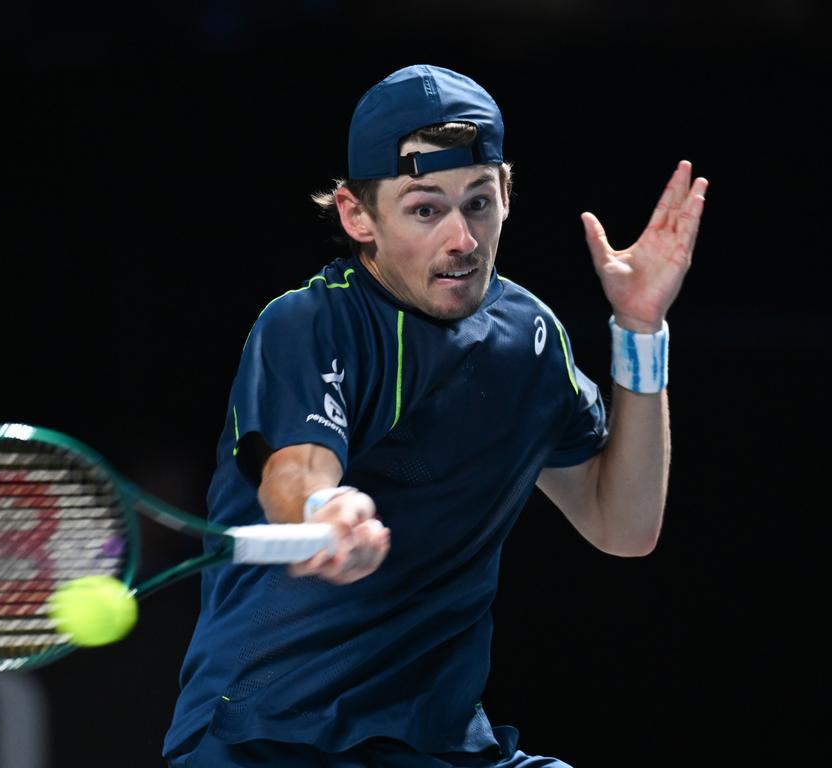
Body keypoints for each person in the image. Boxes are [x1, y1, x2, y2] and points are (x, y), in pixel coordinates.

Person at [162, 63, 707, 767]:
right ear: (358, 215)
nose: (463, 239)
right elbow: (294, 471)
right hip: (268, 738)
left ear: (507, 196)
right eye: (426, 209)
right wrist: (324, 512)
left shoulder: (529, 342)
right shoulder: (311, 323)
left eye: (479, 202)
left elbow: (623, 526)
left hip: (438, 743)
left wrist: (639, 331)